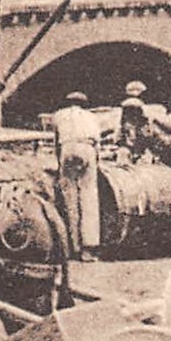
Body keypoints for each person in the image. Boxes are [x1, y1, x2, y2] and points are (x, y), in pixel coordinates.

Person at [51, 91, 103, 258]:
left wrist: (60, 163)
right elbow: (98, 143)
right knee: (89, 196)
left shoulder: (58, 115)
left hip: (67, 148)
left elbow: (55, 141)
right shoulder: (92, 117)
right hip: (87, 147)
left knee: (70, 198)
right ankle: (89, 247)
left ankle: (73, 247)